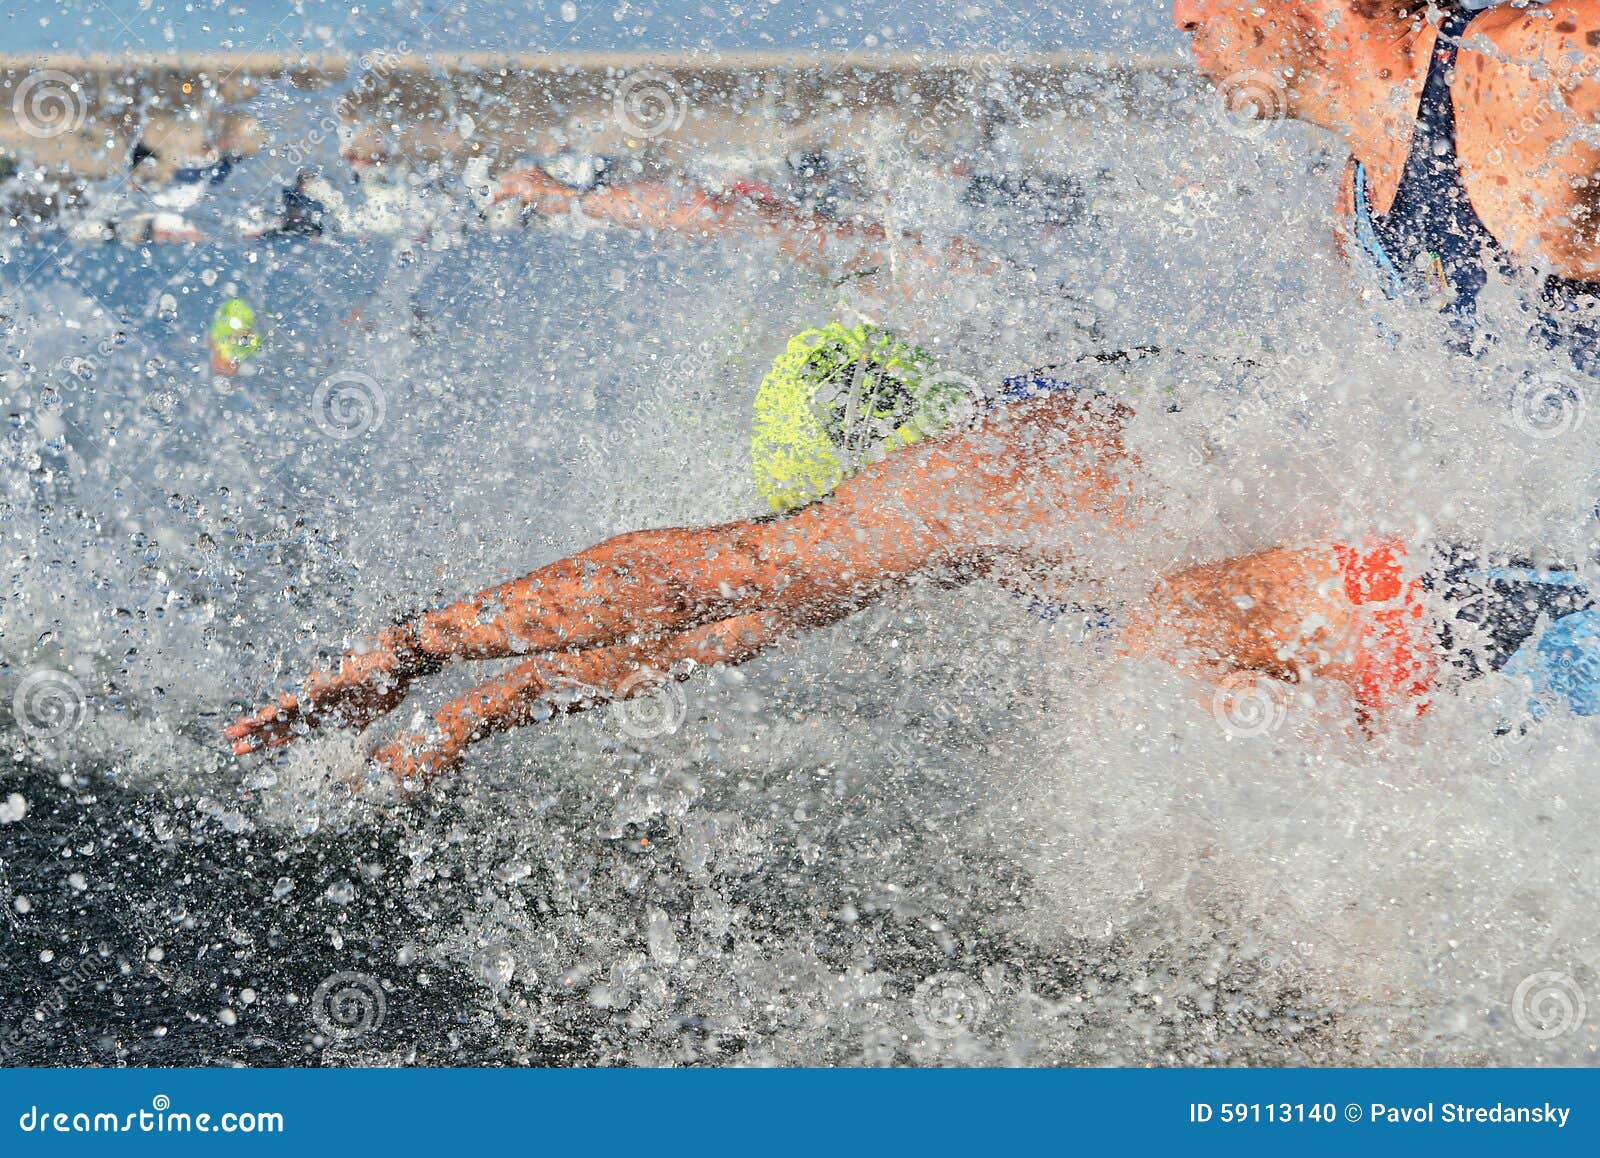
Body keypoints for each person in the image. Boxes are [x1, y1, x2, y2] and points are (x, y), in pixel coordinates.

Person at [227, 0, 1600, 782]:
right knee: (1170, 634)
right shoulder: (1356, 195)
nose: (1179, 28)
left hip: (1553, 596)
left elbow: (735, 575)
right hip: (1522, 571)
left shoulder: (1514, 73)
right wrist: (480, 705)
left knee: (1183, 626)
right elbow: (737, 612)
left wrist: (419, 655)